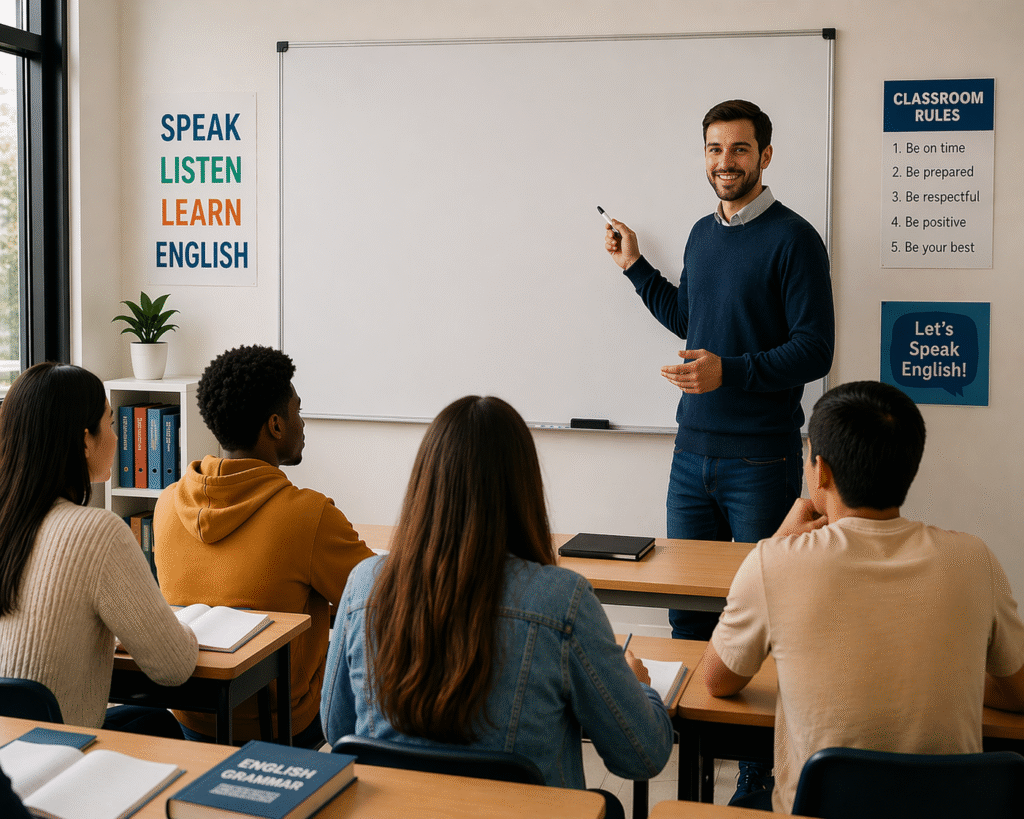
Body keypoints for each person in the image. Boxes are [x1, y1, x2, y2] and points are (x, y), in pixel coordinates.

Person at [321, 396, 673, 819]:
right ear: (523, 486)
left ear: (424, 483)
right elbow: (641, 756)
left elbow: (337, 729)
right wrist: (638, 687)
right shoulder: (563, 601)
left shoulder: (364, 585)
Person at [704, 380, 1024, 813]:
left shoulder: (775, 562)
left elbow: (718, 682)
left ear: (822, 471)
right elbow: (1019, 693)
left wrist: (779, 541)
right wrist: (951, 672)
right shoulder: (974, 559)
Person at [604, 98, 835, 642]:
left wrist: (726, 372)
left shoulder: (794, 239)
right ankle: (690, 727)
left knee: (760, 611)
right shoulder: (701, 234)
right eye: (714, 149)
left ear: (765, 156)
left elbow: (814, 350)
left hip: (760, 457)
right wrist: (634, 267)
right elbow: (690, 319)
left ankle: (746, 730)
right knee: (684, 611)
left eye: (739, 149)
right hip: (691, 455)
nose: (724, 161)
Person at [154, 345, 373, 747]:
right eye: (298, 412)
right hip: (285, 727)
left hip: (193, 719)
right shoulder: (309, 515)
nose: (303, 424)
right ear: (275, 425)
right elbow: (378, 597)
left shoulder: (167, 504)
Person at [0, 362, 198, 735]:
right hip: (59, 758)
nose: (117, 438)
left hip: (8, 756)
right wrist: (180, 629)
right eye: (110, 423)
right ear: (84, 439)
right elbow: (174, 666)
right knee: (163, 726)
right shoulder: (97, 532)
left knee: (148, 720)